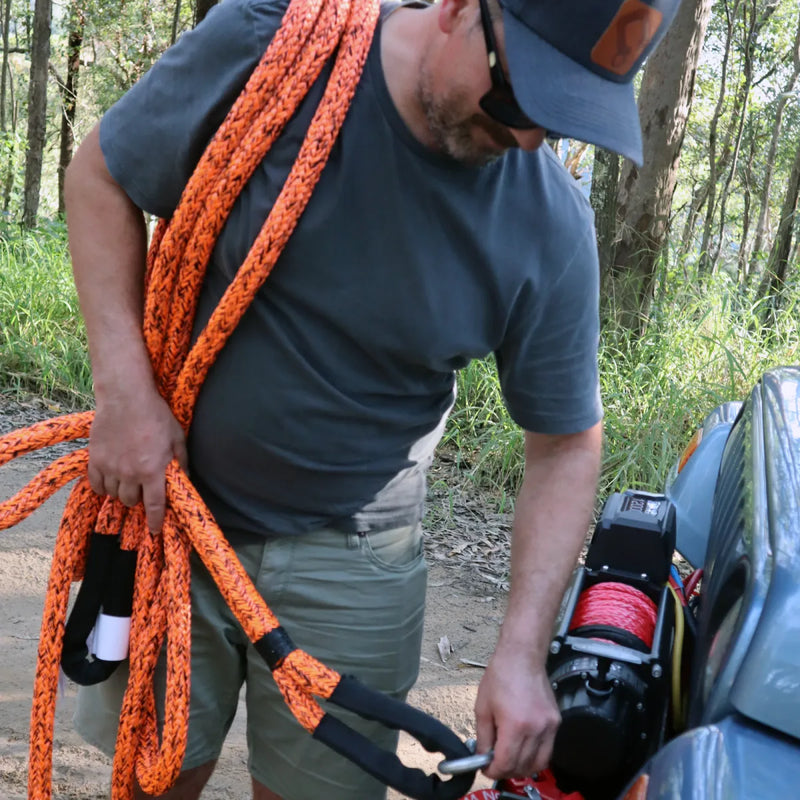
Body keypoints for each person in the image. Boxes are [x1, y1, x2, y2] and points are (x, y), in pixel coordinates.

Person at [63, 0, 680, 798]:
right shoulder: (272, 44)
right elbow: (102, 175)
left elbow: (565, 444)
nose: (528, 137)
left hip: (359, 561)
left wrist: (521, 655)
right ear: (461, 10)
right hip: (172, 519)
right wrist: (123, 395)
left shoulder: (547, 223)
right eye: (521, 96)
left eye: (562, 120)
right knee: (151, 782)